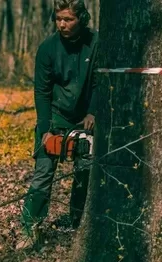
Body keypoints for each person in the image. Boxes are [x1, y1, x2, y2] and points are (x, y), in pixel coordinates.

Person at [18, 0, 98, 249]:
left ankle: (79, 222)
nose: (62, 24)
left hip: (85, 117)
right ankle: (29, 229)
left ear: (81, 19)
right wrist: (45, 128)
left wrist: (94, 111)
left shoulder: (96, 43)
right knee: (43, 174)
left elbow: (100, 80)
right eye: (58, 19)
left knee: (85, 171)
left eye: (68, 19)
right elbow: (41, 92)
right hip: (55, 115)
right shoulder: (47, 48)